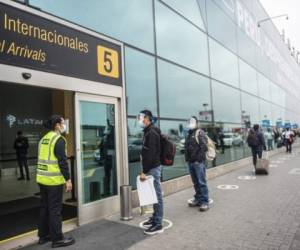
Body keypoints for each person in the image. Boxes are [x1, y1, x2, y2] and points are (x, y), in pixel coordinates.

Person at [36, 115, 75, 248]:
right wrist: (68, 179)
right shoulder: (58, 140)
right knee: (55, 210)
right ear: (57, 125)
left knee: (45, 208)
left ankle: (43, 236)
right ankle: (57, 239)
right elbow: (62, 162)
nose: (64, 125)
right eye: (63, 123)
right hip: (53, 181)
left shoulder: (43, 139)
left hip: (42, 179)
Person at [138, 110, 164, 235]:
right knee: (153, 195)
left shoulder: (152, 133)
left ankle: (158, 223)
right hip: (151, 168)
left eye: (141, 117)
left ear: (147, 118)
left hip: (153, 168)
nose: (139, 120)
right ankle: (155, 218)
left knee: (157, 195)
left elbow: (151, 155)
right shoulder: (148, 131)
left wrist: (144, 171)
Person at [185, 116, 209, 212]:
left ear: (196, 123)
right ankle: (198, 199)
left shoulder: (200, 133)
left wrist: (198, 160)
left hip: (198, 163)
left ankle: (205, 202)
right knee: (195, 183)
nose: (190, 124)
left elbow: (204, 147)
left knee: (201, 182)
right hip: (191, 162)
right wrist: (188, 159)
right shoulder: (189, 134)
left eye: (192, 122)